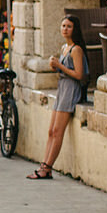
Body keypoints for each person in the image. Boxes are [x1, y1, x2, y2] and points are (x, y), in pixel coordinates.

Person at [29, 13, 88, 180]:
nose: (65, 29)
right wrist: (56, 67)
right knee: (51, 130)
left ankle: (48, 167)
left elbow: (79, 74)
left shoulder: (76, 49)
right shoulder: (64, 48)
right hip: (62, 88)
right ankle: (44, 165)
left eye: (69, 26)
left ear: (74, 29)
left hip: (70, 89)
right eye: (63, 26)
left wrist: (59, 66)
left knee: (58, 131)